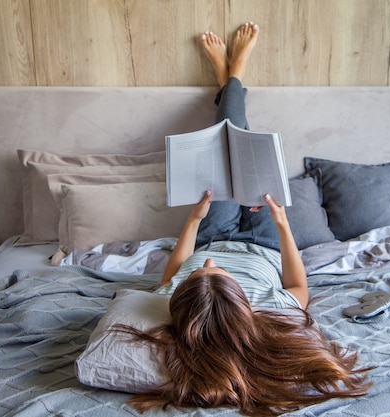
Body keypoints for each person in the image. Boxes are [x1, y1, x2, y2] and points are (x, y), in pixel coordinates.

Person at [120, 22, 372, 416]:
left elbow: (173, 272)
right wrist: (283, 223)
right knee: (247, 151)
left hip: (214, 232)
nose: (204, 266)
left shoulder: (185, 305)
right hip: (266, 241)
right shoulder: (273, 313)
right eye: (214, 273)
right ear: (237, 297)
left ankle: (230, 78)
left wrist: (194, 220)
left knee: (224, 151)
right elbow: (297, 281)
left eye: (196, 275)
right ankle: (233, 75)